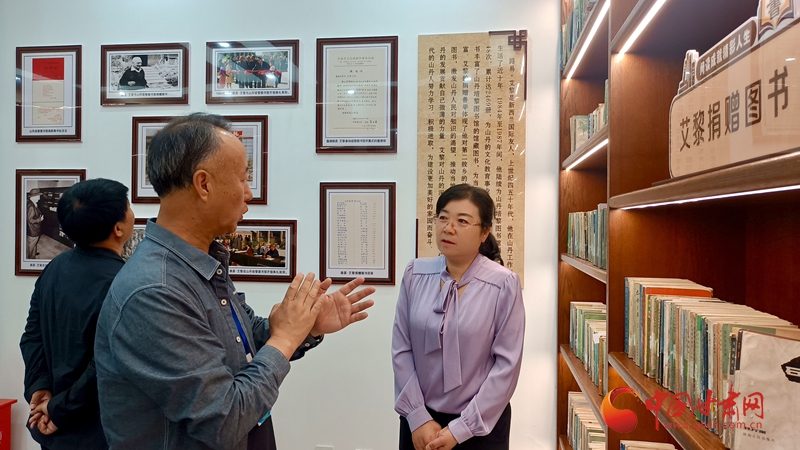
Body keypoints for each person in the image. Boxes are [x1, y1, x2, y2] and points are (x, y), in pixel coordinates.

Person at [94, 113, 375, 450]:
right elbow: (224, 419)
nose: (249, 193)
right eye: (243, 179)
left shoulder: (200, 262)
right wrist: (285, 338)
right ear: (204, 184)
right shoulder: (155, 290)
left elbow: (242, 344)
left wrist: (305, 325)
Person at [392, 184, 525, 450]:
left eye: (462, 221)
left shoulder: (503, 284)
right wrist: (417, 417)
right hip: (421, 422)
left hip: (480, 425)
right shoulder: (415, 274)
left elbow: (507, 366)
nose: (449, 228)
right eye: (443, 217)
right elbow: (402, 348)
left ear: (484, 232)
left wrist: (461, 429)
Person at [20, 178, 135, 450]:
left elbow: (32, 337)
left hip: (52, 426)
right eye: (129, 206)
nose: (132, 212)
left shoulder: (55, 267)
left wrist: (40, 387)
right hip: (97, 432)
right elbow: (107, 364)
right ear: (118, 228)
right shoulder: (125, 283)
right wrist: (60, 409)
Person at [26, 188, 44, 259]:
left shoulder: (32, 203)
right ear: (33, 197)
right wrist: (40, 219)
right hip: (33, 230)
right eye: (38, 196)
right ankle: (30, 257)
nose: (39, 198)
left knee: (34, 243)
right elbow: (30, 220)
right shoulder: (31, 207)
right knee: (31, 244)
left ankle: (33, 254)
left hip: (34, 229)